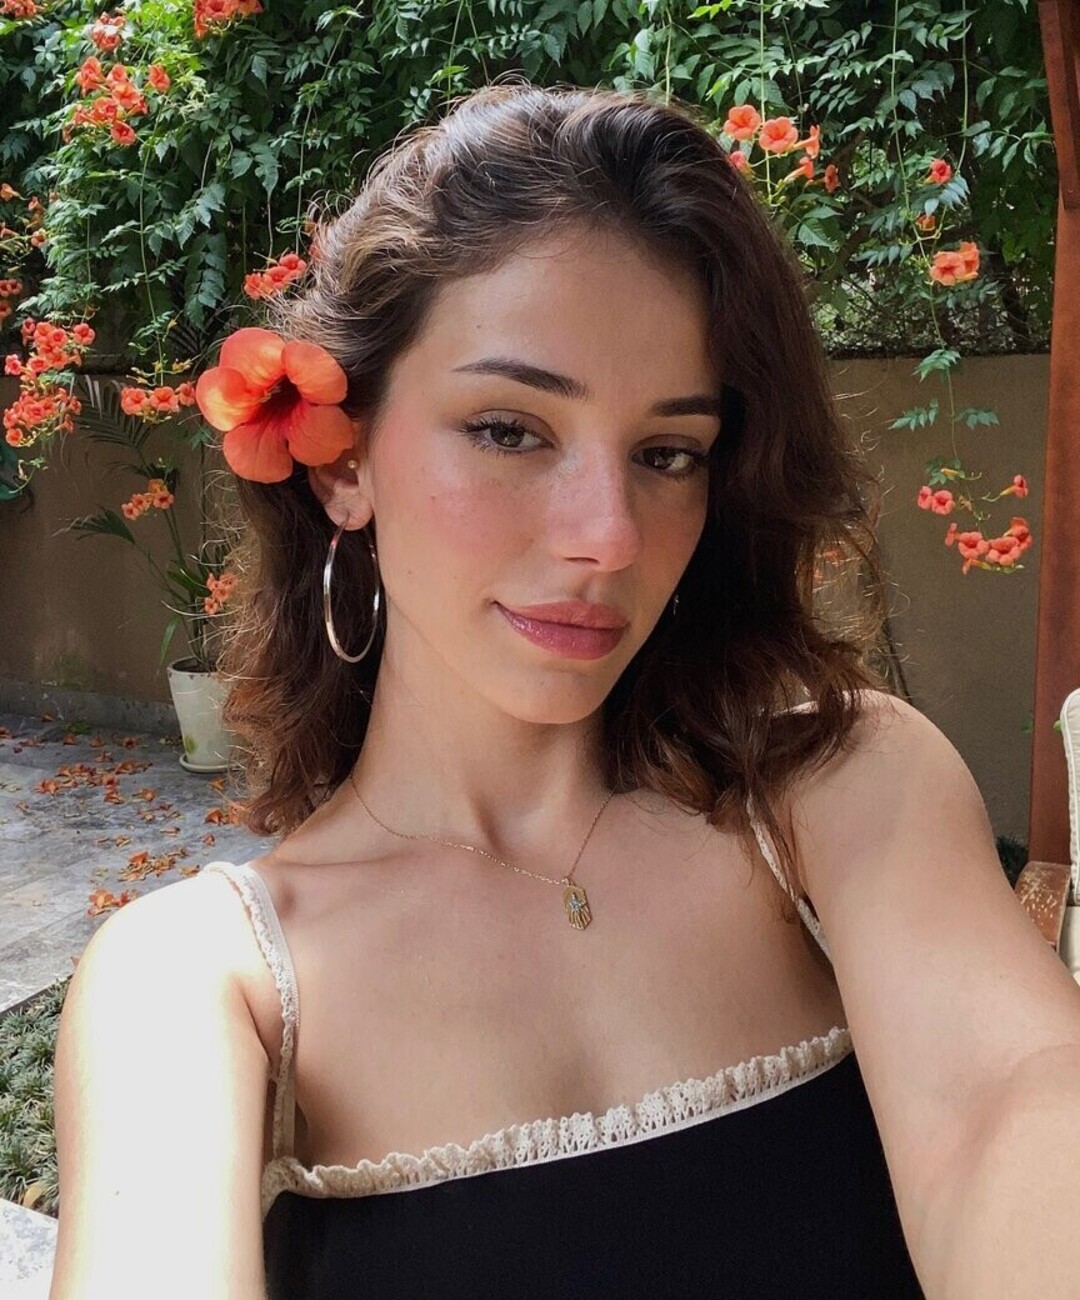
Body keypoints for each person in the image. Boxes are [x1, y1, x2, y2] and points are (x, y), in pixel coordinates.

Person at [49, 80, 1080, 1300]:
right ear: (343, 464)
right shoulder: (202, 985)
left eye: (669, 452)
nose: (609, 535)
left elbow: (1008, 1109)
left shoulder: (840, 791)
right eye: (509, 429)